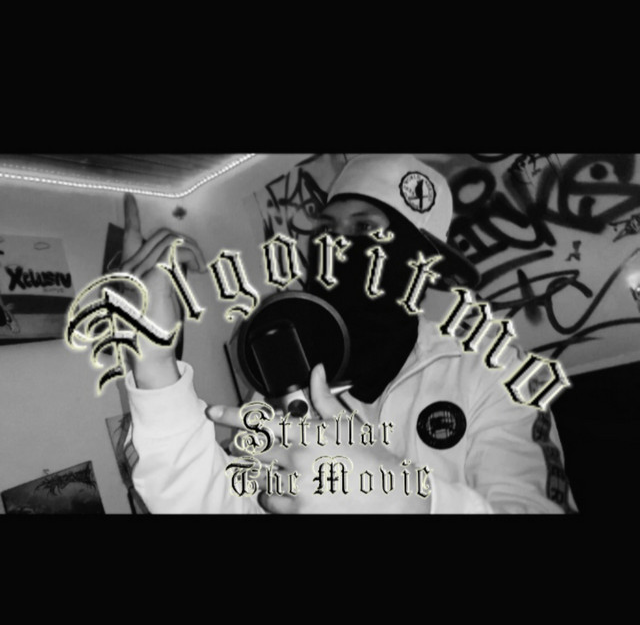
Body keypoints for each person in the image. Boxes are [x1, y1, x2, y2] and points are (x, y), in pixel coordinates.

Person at [122, 154, 576, 514]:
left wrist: (404, 503)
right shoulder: (288, 386)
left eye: (364, 229)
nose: (336, 247)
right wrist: (155, 364)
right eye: (325, 230)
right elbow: (219, 504)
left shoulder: (496, 374)